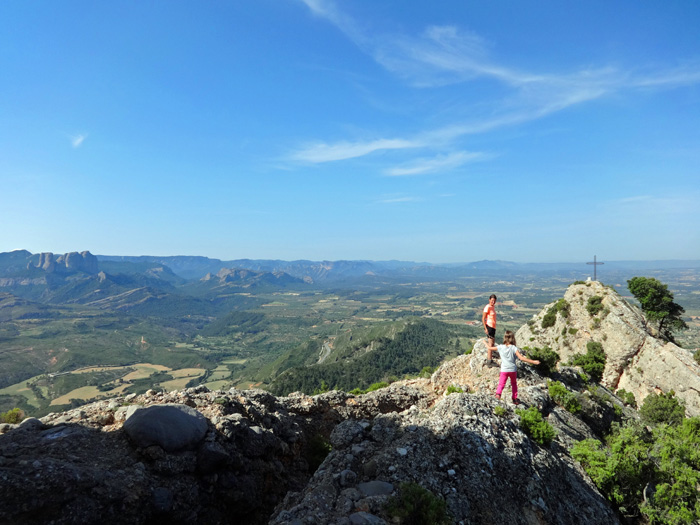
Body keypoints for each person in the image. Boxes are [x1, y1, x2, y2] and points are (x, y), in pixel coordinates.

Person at [485, 330, 540, 405]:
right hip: (512, 369)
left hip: (504, 369)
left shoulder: (500, 347)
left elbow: (489, 348)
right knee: (514, 384)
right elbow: (521, 358)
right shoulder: (514, 348)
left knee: (501, 384)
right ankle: (514, 399)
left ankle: (498, 395)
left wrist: (484, 342)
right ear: (512, 338)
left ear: (505, 338)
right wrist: (533, 362)